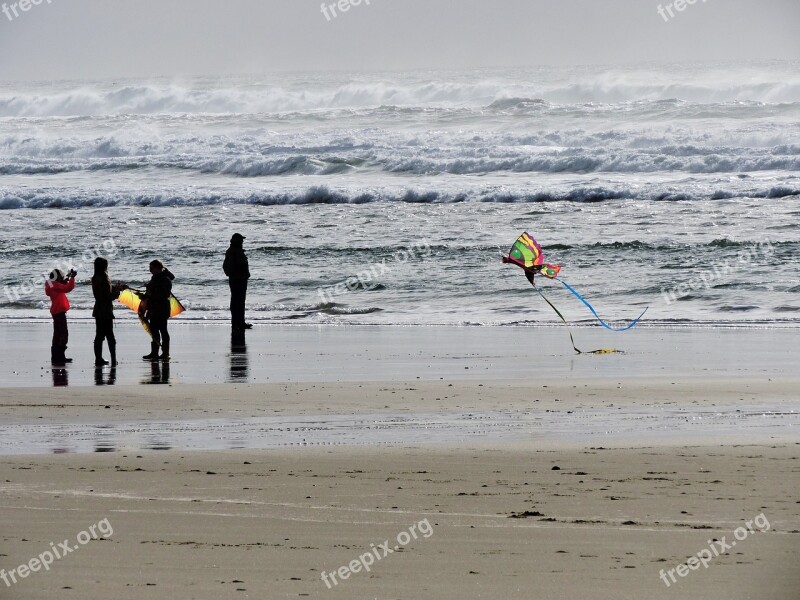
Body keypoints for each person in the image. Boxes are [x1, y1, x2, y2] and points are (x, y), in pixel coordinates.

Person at [91, 257, 127, 366]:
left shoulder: (95, 277)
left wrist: (115, 288)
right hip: (105, 310)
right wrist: (119, 291)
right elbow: (109, 296)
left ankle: (98, 359)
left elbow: (104, 293)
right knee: (110, 336)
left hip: (98, 309)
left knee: (99, 336)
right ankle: (113, 359)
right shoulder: (104, 278)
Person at [141, 260, 174, 361]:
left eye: (152, 268)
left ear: (158, 268)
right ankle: (154, 352)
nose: (150, 270)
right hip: (153, 308)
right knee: (154, 330)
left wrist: (152, 289)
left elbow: (165, 294)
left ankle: (165, 352)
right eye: (149, 268)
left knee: (163, 330)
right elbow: (151, 293)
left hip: (162, 308)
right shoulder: (154, 278)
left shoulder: (165, 279)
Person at [45, 268, 76, 365]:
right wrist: (72, 278)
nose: (62, 276)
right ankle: (60, 356)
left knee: (57, 334)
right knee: (63, 334)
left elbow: (61, 285)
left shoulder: (50, 284)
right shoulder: (55, 285)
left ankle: (56, 356)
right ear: (57, 276)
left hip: (55, 311)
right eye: (60, 275)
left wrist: (68, 278)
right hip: (59, 311)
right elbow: (67, 288)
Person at [223, 233, 252, 330]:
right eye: (241, 240)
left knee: (239, 302)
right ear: (236, 241)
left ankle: (239, 322)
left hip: (239, 279)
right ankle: (237, 322)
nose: (242, 242)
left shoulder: (235, 251)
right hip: (237, 280)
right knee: (237, 302)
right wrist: (238, 274)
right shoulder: (233, 252)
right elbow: (231, 267)